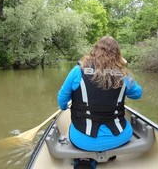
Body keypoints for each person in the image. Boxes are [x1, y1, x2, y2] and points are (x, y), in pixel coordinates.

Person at [57, 36, 143, 169]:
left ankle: (84, 159)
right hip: (121, 137)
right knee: (119, 130)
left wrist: (64, 107)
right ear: (117, 54)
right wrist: (123, 67)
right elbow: (137, 94)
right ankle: (110, 151)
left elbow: (62, 100)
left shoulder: (77, 71)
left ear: (94, 50)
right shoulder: (124, 74)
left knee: (73, 127)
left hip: (83, 141)